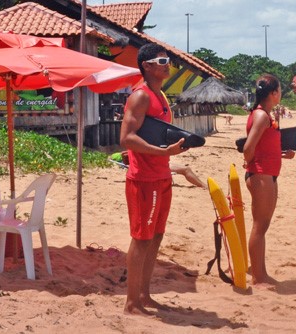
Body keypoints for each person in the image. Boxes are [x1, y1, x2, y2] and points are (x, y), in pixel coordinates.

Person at [119, 43, 190, 315]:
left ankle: (144, 295)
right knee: (141, 238)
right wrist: (163, 151)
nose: (167, 64)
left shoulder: (160, 95)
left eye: (168, 60)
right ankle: (131, 302)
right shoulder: (141, 96)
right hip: (145, 179)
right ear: (146, 65)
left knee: (156, 236)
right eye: (161, 60)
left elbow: (152, 133)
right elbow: (126, 138)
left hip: (161, 175)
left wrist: (174, 147)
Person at [242, 74, 295, 287]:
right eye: (280, 90)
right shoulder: (262, 116)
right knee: (259, 226)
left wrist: (281, 155)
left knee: (263, 226)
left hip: (267, 173)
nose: (281, 94)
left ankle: (260, 272)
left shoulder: (265, 115)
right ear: (273, 94)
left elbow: (261, 147)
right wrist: (254, 165)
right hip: (261, 174)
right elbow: (248, 149)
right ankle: (258, 276)